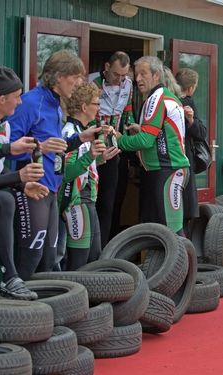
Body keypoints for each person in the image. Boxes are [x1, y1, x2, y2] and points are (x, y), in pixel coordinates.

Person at [8, 49, 95, 280]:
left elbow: (55, 146)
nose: (79, 83)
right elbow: (8, 147)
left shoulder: (56, 105)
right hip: (30, 189)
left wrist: (81, 138)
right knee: (30, 258)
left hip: (51, 188)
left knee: (49, 259)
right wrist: (40, 147)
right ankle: (13, 312)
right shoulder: (30, 102)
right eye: (75, 77)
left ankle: (43, 314)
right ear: (58, 76)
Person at [0, 64, 50, 299]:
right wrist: (12, 159)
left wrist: (21, 184)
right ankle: (10, 277)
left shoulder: (5, 125)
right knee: (5, 200)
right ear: (2, 99)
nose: (20, 103)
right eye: (17, 97)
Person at [115, 56, 189, 234]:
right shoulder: (160, 97)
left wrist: (117, 139)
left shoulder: (158, 98)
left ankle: (184, 262)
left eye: (143, 74)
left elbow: (145, 141)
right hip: (161, 170)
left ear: (156, 75)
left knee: (172, 233)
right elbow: (161, 133)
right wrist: (141, 129)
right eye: (136, 74)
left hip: (167, 170)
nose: (138, 79)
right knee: (160, 232)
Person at [59, 83, 120, 270]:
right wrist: (91, 155)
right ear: (84, 107)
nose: (99, 108)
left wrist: (100, 159)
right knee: (79, 263)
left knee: (94, 258)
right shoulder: (70, 132)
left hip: (88, 200)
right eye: (96, 103)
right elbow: (67, 174)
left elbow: (83, 167)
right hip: (76, 202)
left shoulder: (83, 132)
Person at [89, 51, 133, 248]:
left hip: (115, 147)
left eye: (124, 75)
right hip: (94, 145)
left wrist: (129, 126)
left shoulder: (129, 84)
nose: (121, 79)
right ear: (106, 67)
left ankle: (108, 248)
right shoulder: (92, 82)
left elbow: (128, 109)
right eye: (116, 74)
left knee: (112, 201)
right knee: (95, 201)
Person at [175, 68, 208, 234]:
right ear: (191, 88)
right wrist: (192, 121)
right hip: (184, 158)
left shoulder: (169, 100)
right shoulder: (187, 101)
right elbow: (201, 133)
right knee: (185, 209)